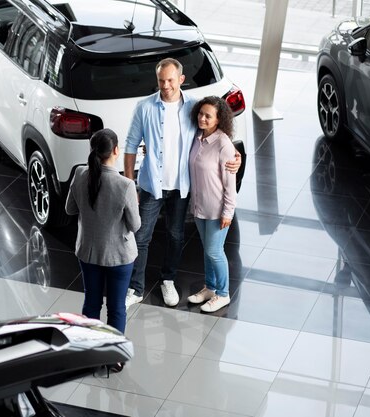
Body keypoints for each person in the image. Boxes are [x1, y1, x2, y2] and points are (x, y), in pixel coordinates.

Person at [123, 58, 241, 308]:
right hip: (150, 186)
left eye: (170, 80)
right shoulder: (144, 107)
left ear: (181, 80)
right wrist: (129, 184)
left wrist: (235, 157)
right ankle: (136, 288)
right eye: (161, 81)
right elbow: (131, 145)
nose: (165, 85)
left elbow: (214, 135)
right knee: (141, 236)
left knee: (176, 236)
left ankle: (168, 280)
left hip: (181, 188)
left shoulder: (192, 109)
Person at [65, 128, 141, 342]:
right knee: (116, 308)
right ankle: (114, 356)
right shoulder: (125, 185)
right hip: (119, 256)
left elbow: (70, 209)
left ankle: (90, 347)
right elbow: (135, 225)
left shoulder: (80, 173)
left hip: (88, 252)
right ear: (116, 150)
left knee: (91, 303)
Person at [186, 96, 237, 312]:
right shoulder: (196, 137)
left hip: (217, 210)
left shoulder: (223, 144)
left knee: (215, 252)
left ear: (218, 120)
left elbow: (230, 183)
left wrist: (228, 212)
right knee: (207, 250)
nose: (202, 118)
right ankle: (210, 287)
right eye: (201, 113)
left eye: (208, 116)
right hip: (199, 207)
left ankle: (223, 294)